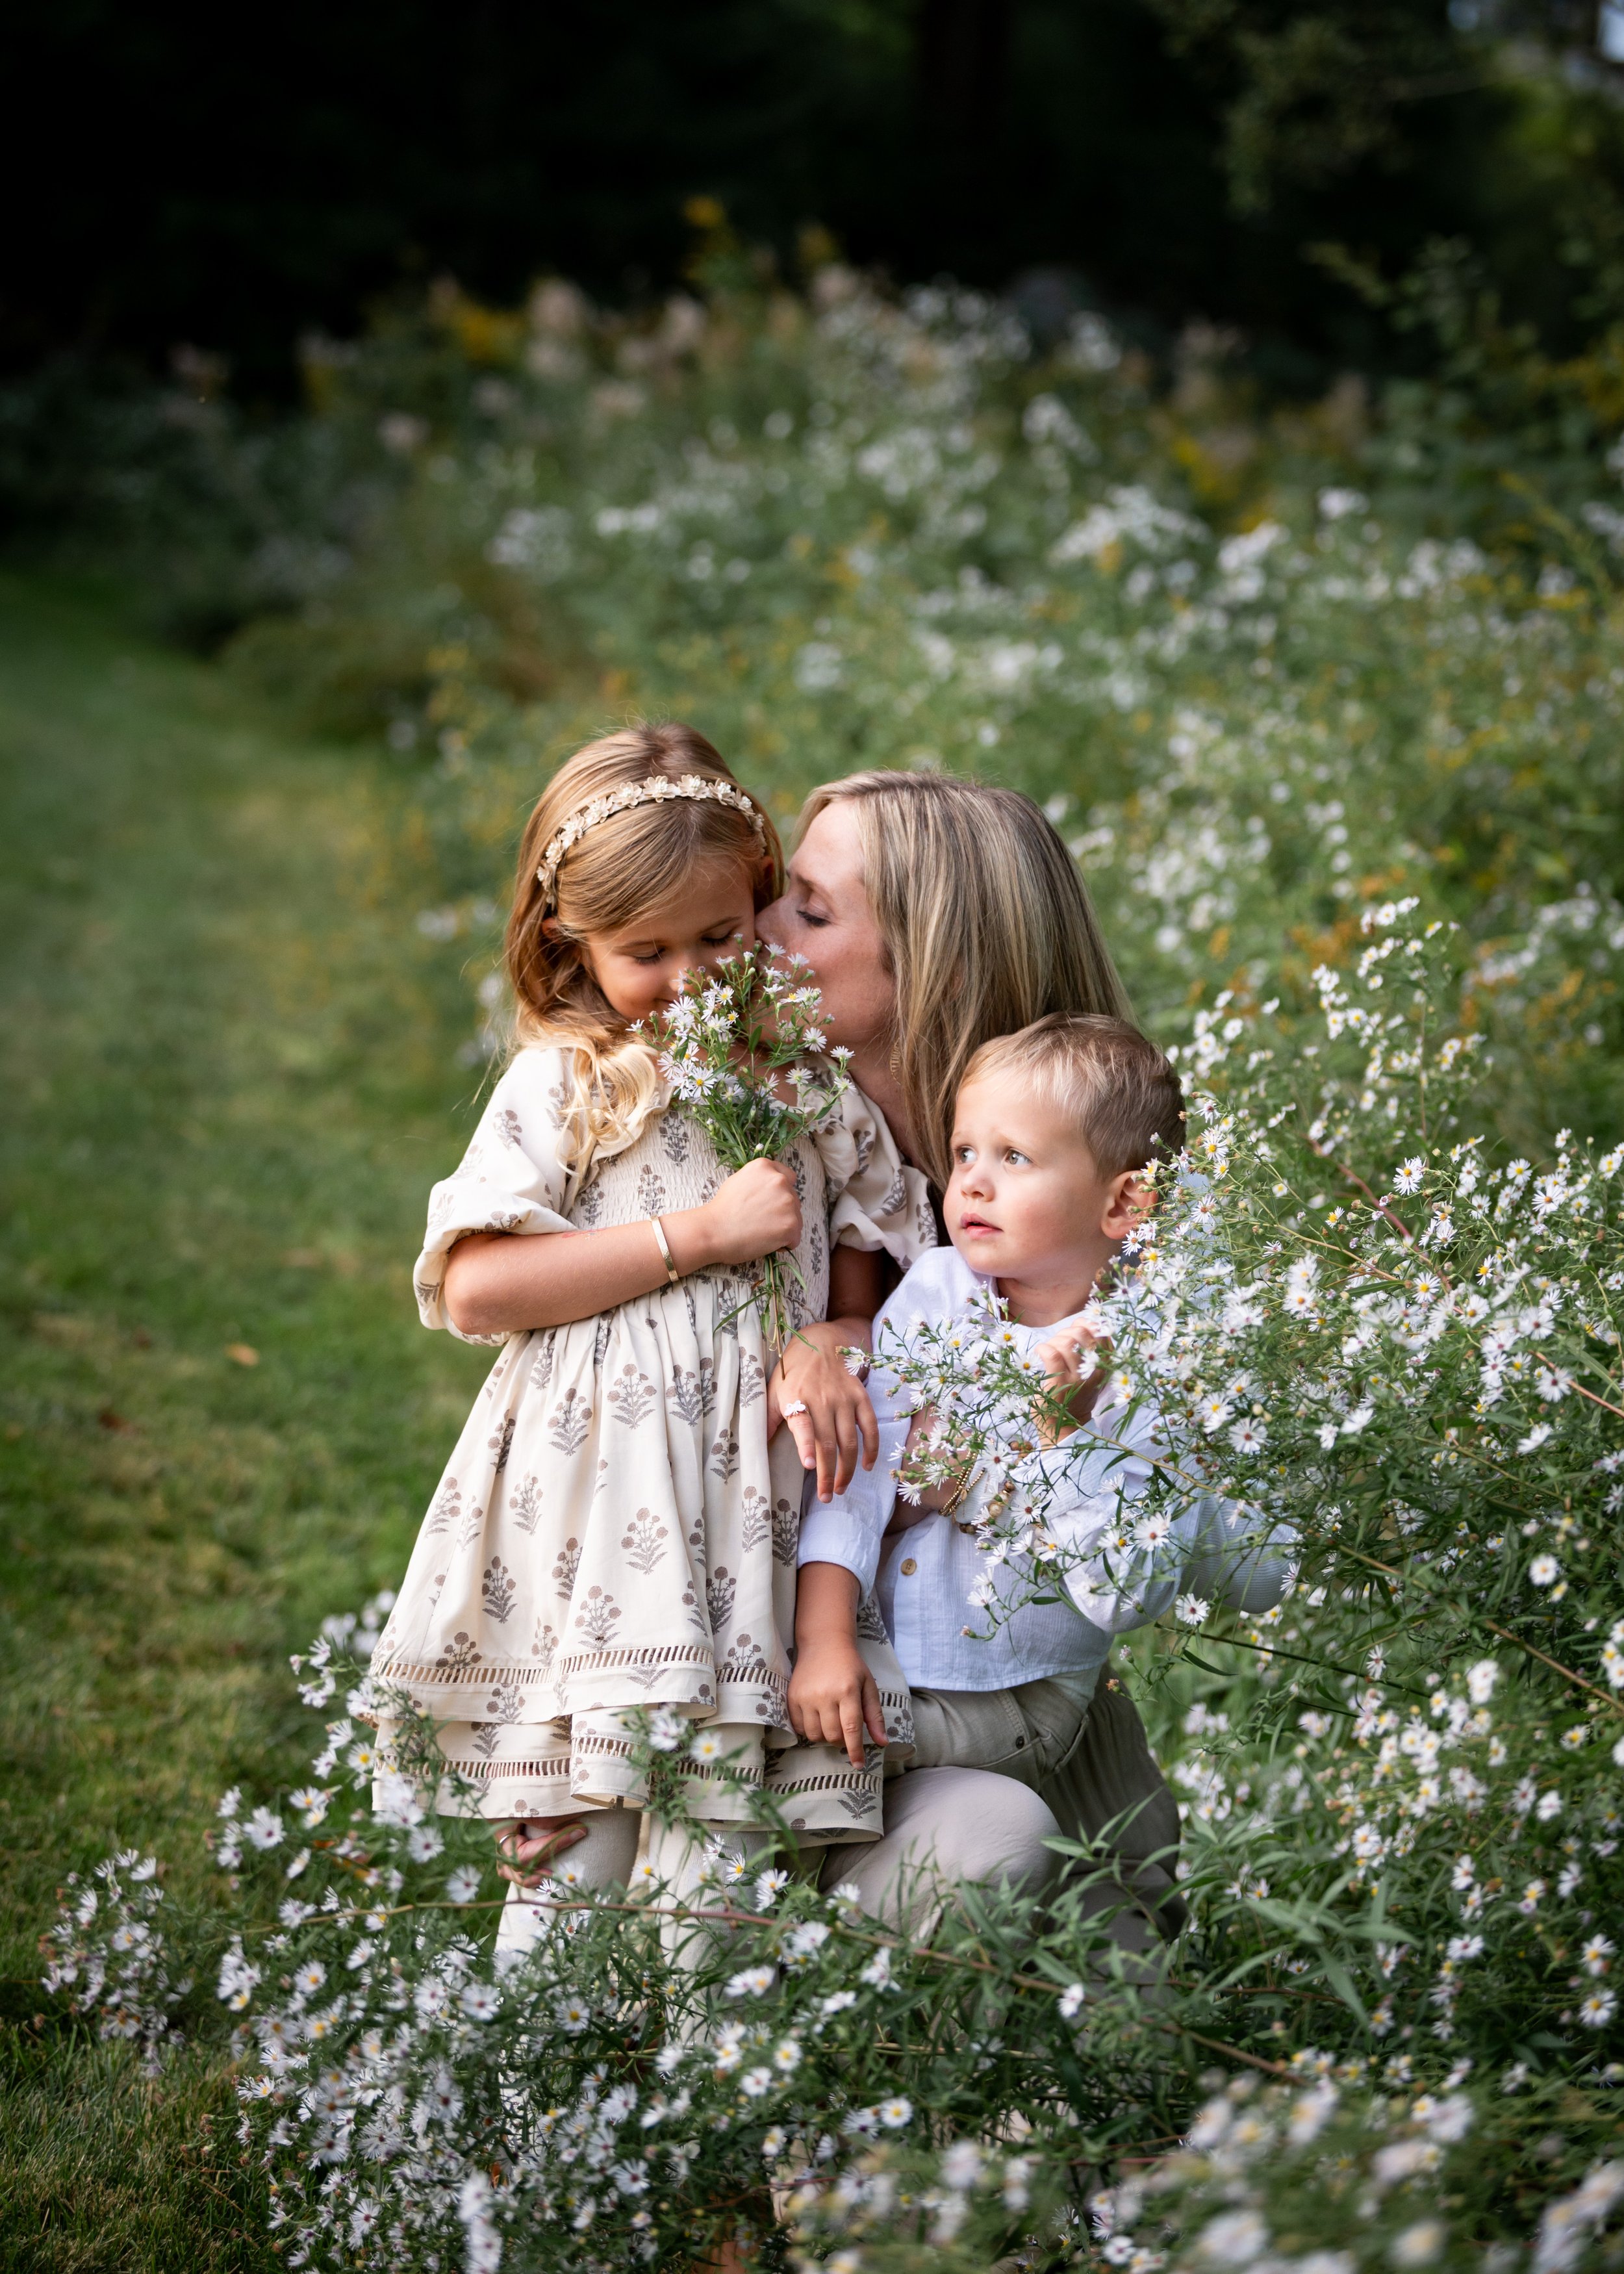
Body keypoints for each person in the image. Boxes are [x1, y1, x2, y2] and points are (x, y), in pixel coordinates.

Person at [369, 726, 934, 1932]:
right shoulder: (567, 1082)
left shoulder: (800, 1074)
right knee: (577, 1848)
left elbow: (889, 1235)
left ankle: (694, 2054)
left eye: (721, 937)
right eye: (647, 951)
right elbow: (475, 1289)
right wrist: (700, 1237)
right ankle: (523, 2088)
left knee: (723, 1841)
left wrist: (838, 1328)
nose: (690, 976)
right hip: (605, 1505)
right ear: (569, 941)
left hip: (749, 1508)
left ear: (760, 900)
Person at [788, 1015, 1292, 1934]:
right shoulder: (940, 1291)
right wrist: (825, 1635)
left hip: (1019, 1692)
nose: (970, 1179)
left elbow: (1124, 1587)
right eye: (965, 1149)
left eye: (1014, 1158)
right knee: (819, 1700)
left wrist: (1063, 1433)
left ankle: (730, 1836)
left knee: (808, 1751)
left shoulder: (1150, 1347)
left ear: (1123, 1207)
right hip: (901, 1657)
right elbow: (860, 1478)